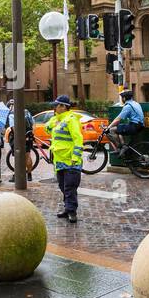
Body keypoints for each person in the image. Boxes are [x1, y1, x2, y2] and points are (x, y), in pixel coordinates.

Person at [46, 94, 84, 223]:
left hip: (71, 161)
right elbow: (47, 129)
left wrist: (75, 157)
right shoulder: (58, 119)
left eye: (56, 105)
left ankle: (72, 211)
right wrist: (54, 120)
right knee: (63, 187)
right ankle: (68, 208)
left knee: (69, 187)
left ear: (63, 106)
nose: (54, 108)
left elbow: (78, 139)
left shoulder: (71, 119)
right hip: (60, 161)